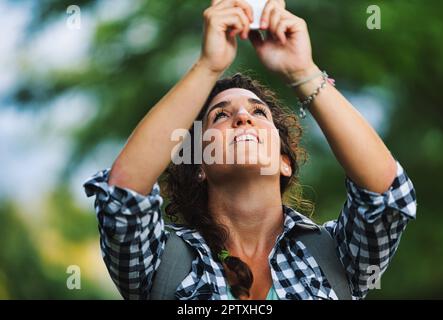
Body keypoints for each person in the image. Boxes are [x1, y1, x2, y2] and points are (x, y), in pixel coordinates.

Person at [83, 0, 416, 300]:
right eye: (221, 115)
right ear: (200, 163)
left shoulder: (337, 257)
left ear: (284, 162)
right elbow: (122, 194)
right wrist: (208, 66)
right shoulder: (163, 263)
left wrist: (302, 71)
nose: (243, 117)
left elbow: (386, 195)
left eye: (259, 113)